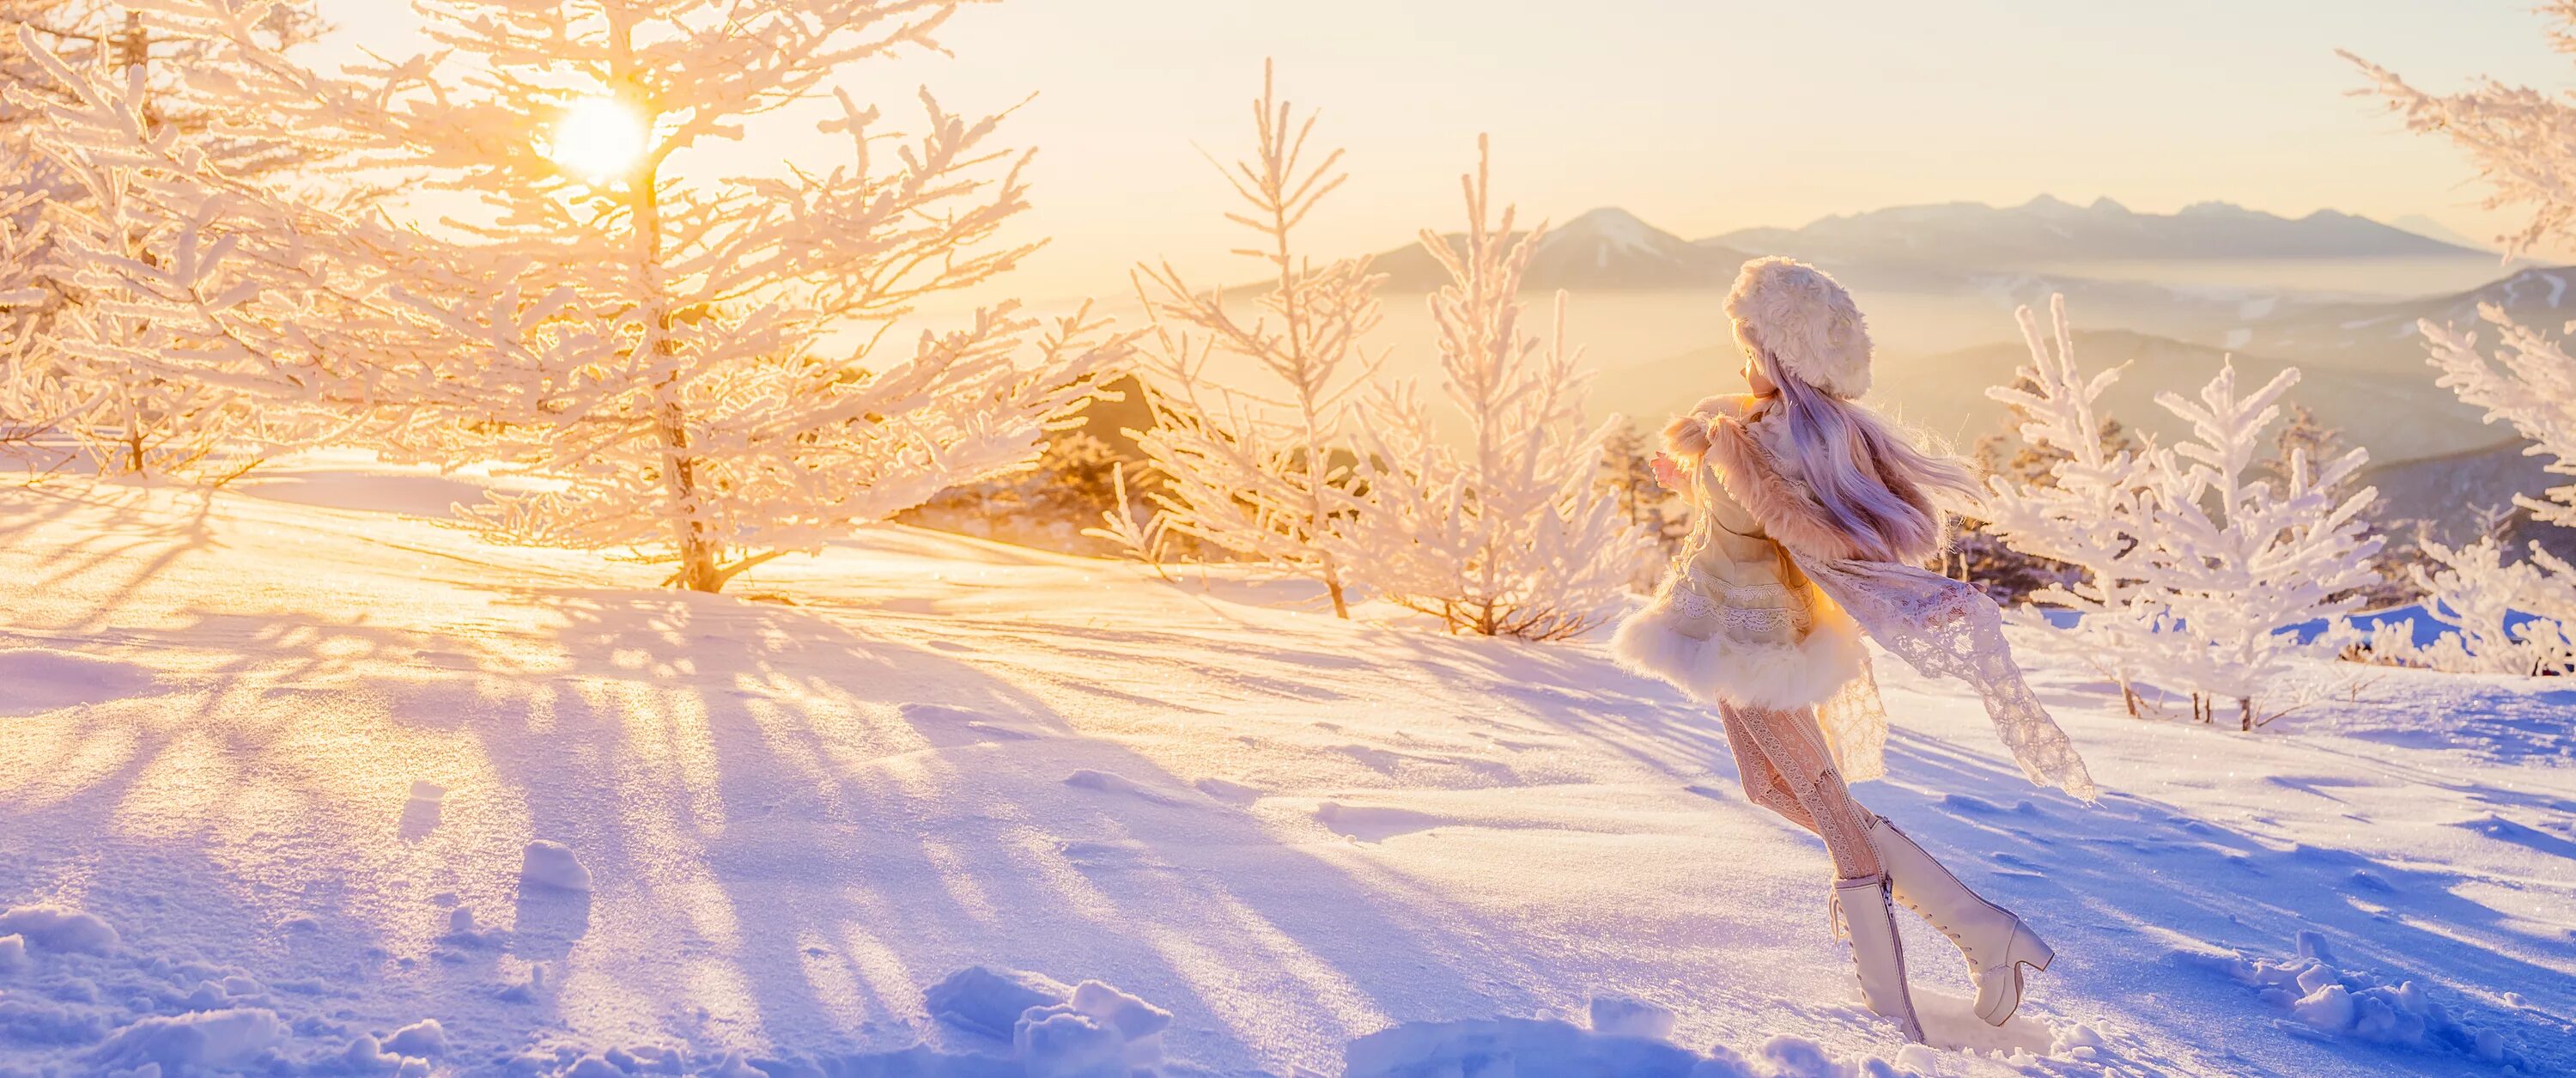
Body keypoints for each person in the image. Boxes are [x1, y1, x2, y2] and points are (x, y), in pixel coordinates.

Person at [1612, 257, 2096, 1043]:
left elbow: (1810, 532)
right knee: (1767, 788)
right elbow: (1730, 501)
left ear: (1782, 353)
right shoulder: (1750, 425)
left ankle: (1894, 1015)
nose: (1741, 360)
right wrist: (1697, 456)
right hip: (1724, 622)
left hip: (1756, 638)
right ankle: (1982, 929)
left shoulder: (1784, 440)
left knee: (1834, 815)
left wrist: (1722, 451)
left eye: (1750, 344)